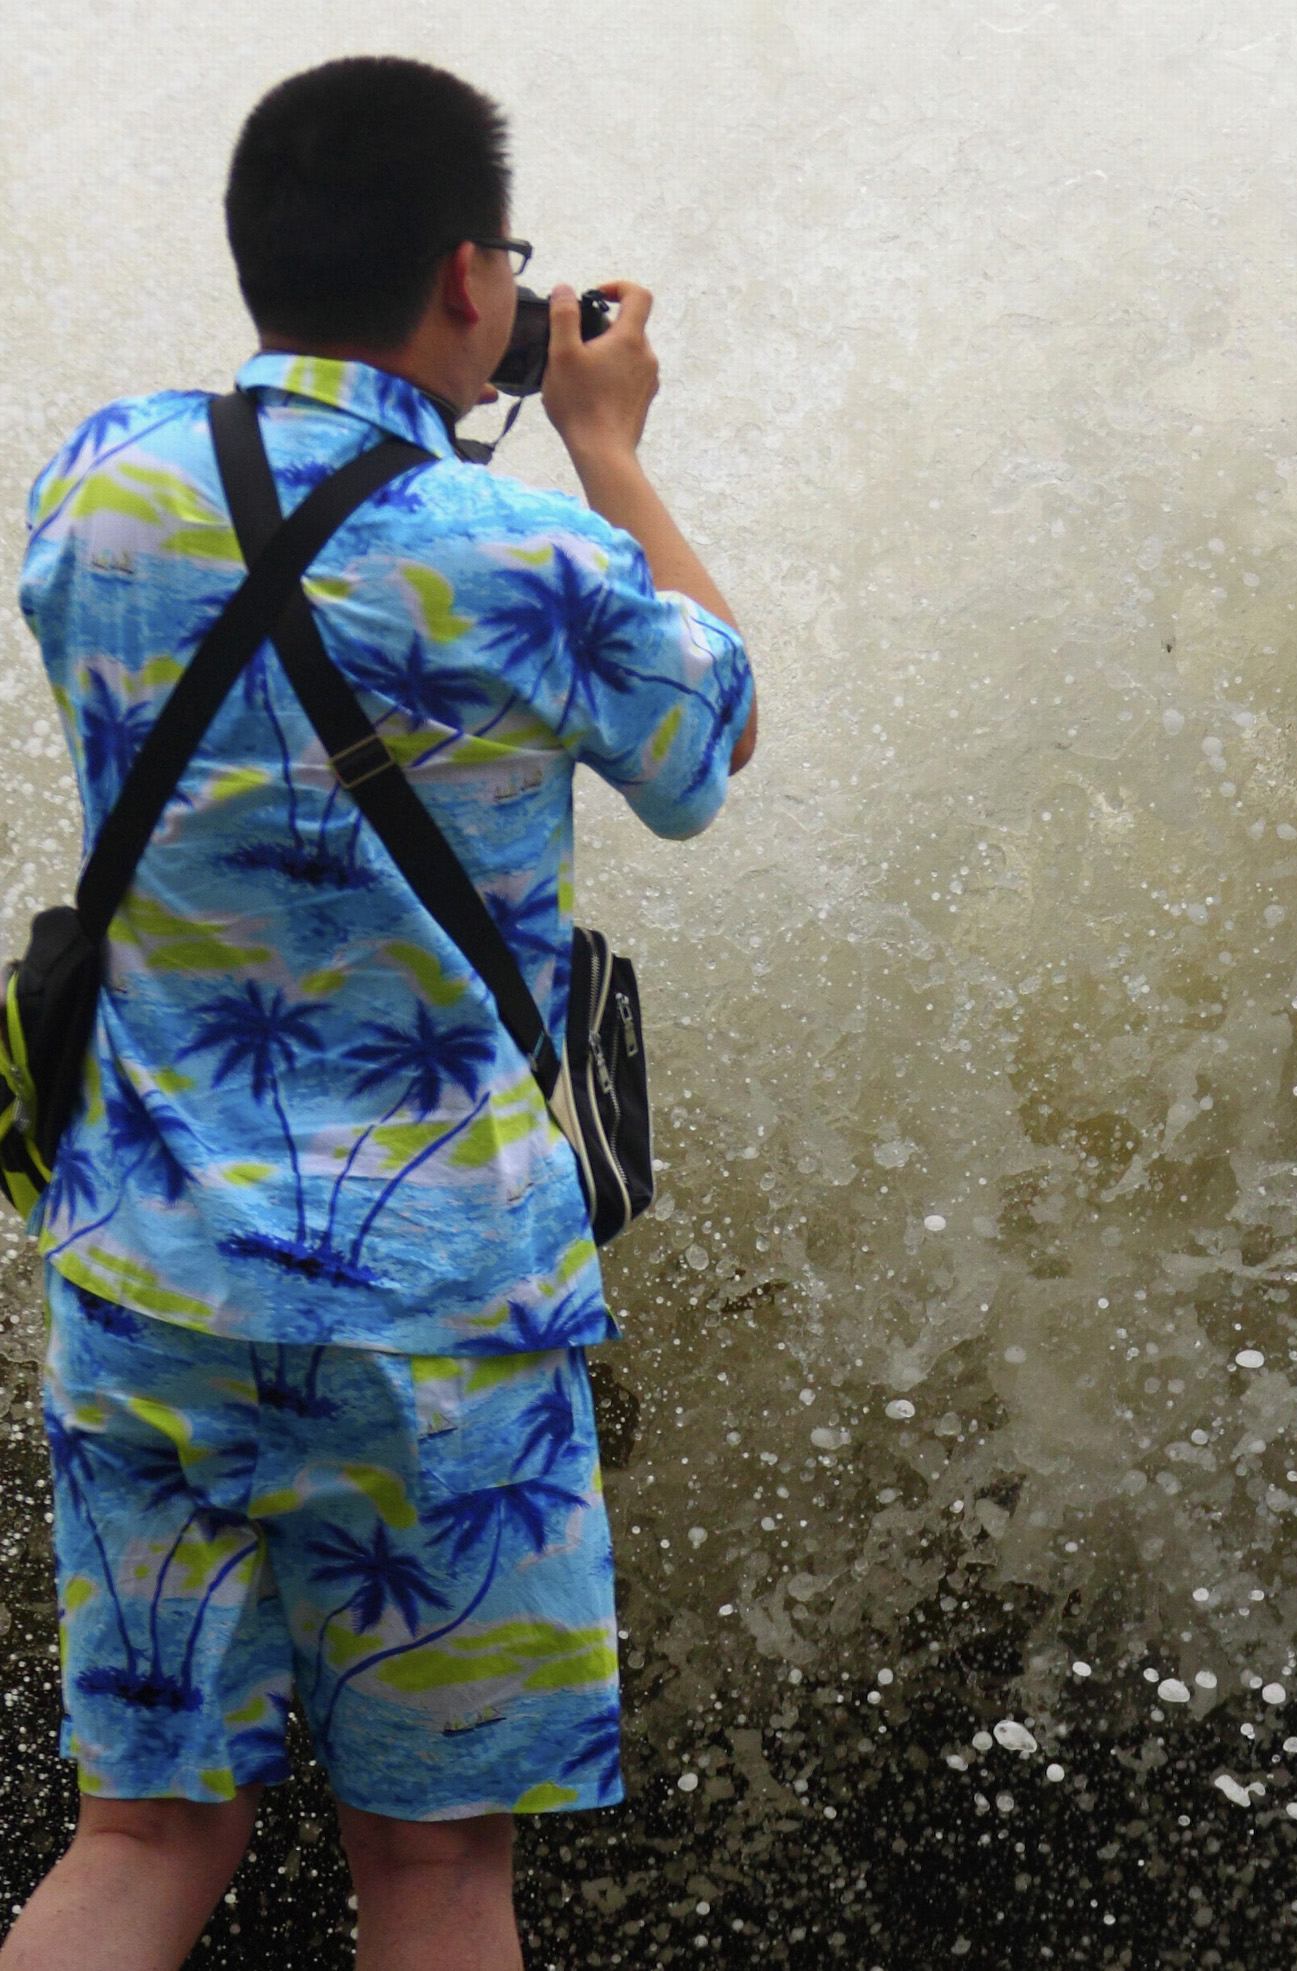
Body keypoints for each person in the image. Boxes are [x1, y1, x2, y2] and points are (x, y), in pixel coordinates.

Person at [3, 57, 755, 1971]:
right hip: (440, 1311)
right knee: (433, 1872)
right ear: (468, 278)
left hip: (146, 1272)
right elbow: (706, 737)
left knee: (141, 1834)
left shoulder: (99, 482)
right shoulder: (520, 552)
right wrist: (606, 442)